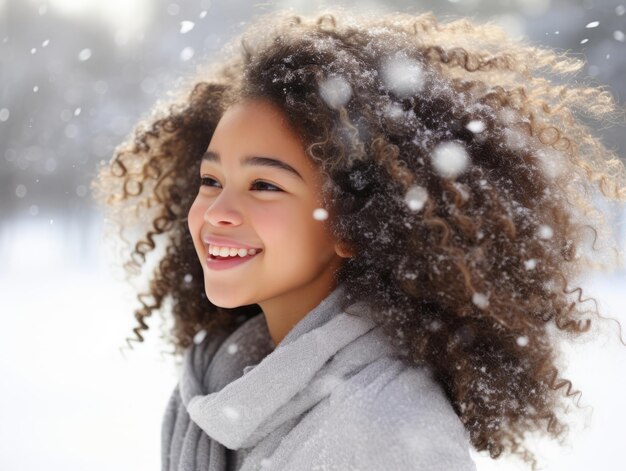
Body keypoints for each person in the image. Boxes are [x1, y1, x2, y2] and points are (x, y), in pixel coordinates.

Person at [91, 8, 626, 471]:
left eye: (265, 185)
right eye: (211, 181)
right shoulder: (212, 388)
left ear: (353, 223)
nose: (218, 213)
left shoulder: (390, 435)